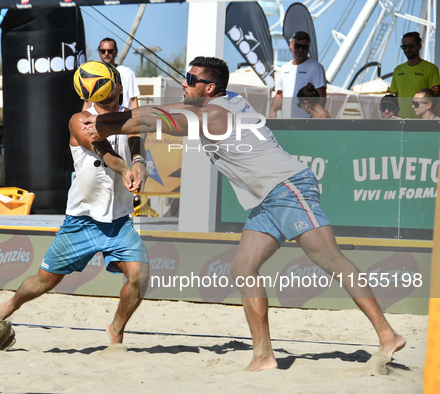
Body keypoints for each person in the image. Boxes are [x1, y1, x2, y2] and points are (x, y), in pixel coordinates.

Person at [82, 56, 405, 371]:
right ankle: (264, 355)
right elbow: (160, 112)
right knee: (243, 268)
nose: (184, 82)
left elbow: (156, 118)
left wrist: (101, 124)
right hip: (266, 199)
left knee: (333, 261)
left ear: (209, 88)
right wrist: (103, 123)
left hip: (288, 188)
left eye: (191, 79)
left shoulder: (216, 115)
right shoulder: (223, 101)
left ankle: (387, 335)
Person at [0, 61, 149, 347]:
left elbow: (135, 138)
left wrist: (139, 163)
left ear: (121, 87)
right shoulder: (80, 118)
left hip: (119, 219)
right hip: (82, 219)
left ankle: (116, 329)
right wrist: (124, 170)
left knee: (140, 276)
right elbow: (104, 149)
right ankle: (11, 305)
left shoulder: (129, 117)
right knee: (44, 281)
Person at [268, 31, 327, 119]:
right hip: (287, 121)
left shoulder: (316, 67)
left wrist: (314, 117)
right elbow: (280, 94)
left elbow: (321, 95)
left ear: (308, 48)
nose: (300, 49)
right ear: (291, 45)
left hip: (307, 122)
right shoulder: (284, 68)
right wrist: (272, 110)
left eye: (304, 47)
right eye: (297, 46)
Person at [390, 32, 440, 118]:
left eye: (410, 46)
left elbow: (436, 97)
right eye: (404, 47)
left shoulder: (431, 69)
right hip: (402, 120)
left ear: (419, 46)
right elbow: (396, 97)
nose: (407, 49)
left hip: (423, 121)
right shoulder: (397, 70)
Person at [97, 37, 140, 109]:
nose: (106, 54)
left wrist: (135, 119)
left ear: (116, 52)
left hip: (123, 117)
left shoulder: (127, 72)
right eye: (103, 51)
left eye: (110, 51)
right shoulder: (92, 73)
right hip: (97, 118)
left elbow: (133, 100)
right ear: (99, 52)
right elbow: (87, 102)